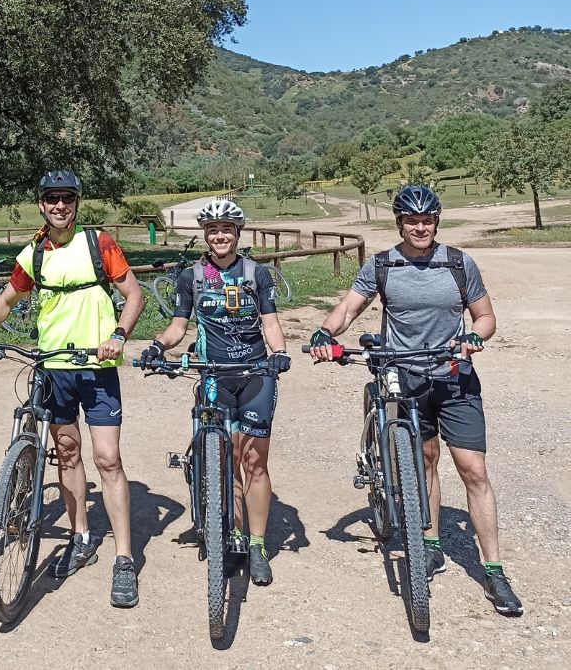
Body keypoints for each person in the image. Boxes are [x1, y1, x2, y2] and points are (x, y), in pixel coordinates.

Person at [308, 185, 523, 616]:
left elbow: (485, 317)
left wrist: (473, 337)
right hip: (404, 376)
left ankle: (494, 570)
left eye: (427, 220)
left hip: (454, 377)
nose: (420, 227)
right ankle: (430, 543)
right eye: (411, 220)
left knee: (473, 469)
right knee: (425, 460)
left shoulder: (460, 263)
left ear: (436, 222)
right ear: (400, 223)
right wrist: (325, 333)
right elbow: (350, 307)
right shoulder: (384, 265)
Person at [0, 170, 145, 608]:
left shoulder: (98, 244)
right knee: (67, 453)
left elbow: (134, 295)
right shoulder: (34, 254)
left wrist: (119, 335)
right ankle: (79, 535)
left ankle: (124, 559)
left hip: (96, 366)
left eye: (66, 198)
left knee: (107, 458)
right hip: (53, 368)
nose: (59, 206)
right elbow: (7, 299)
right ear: (41, 205)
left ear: (76, 203)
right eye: (51, 199)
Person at [139, 199, 290, 586]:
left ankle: (256, 545)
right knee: (225, 458)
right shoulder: (192, 277)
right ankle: (233, 534)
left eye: (226, 230)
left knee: (253, 461)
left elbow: (270, 323)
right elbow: (178, 327)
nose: (220, 236)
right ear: (205, 235)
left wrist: (280, 353)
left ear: (238, 234)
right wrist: (158, 347)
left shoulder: (257, 274)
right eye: (212, 230)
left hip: (255, 374)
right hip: (213, 376)